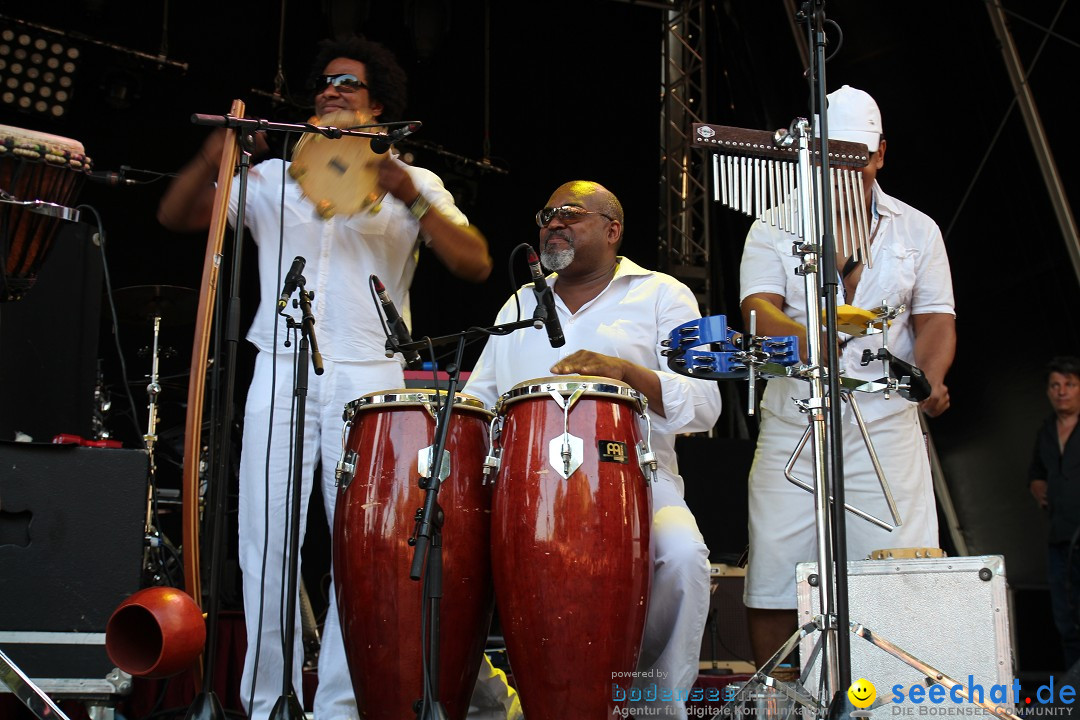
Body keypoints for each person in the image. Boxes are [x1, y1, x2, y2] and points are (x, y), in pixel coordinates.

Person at [156, 36, 492, 720]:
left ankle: (341, 704)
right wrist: (217, 154)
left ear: (381, 106)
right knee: (264, 537)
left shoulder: (414, 182)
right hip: (280, 366)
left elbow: (476, 262)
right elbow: (180, 216)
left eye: (350, 84)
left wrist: (404, 191)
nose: (333, 90)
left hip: (372, 379)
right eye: (326, 83)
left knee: (361, 548)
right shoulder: (274, 176)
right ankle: (263, 700)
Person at [462, 180, 723, 718]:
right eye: (546, 213)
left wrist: (627, 372)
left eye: (569, 214)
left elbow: (707, 402)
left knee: (683, 557)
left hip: (635, 484)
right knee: (437, 560)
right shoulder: (519, 302)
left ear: (612, 229)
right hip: (526, 496)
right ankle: (497, 706)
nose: (552, 223)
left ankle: (651, 709)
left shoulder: (665, 293)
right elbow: (478, 402)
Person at [739, 85, 957, 670]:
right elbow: (758, 310)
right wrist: (819, 327)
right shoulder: (774, 225)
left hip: (886, 426)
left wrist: (929, 378)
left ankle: (887, 704)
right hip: (796, 423)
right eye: (833, 158)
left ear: (880, 153)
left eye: (856, 158)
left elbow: (936, 319)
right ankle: (781, 706)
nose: (846, 170)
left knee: (901, 578)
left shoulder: (918, 230)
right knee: (775, 579)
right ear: (813, 155)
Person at [1029, 356, 1080, 669]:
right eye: (1055, 385)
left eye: (1070, 385)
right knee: (1066, 620)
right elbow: (1036, 470)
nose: (1062, 391)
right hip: (1060, 538)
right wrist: (1035, 483)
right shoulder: (1046, 430)